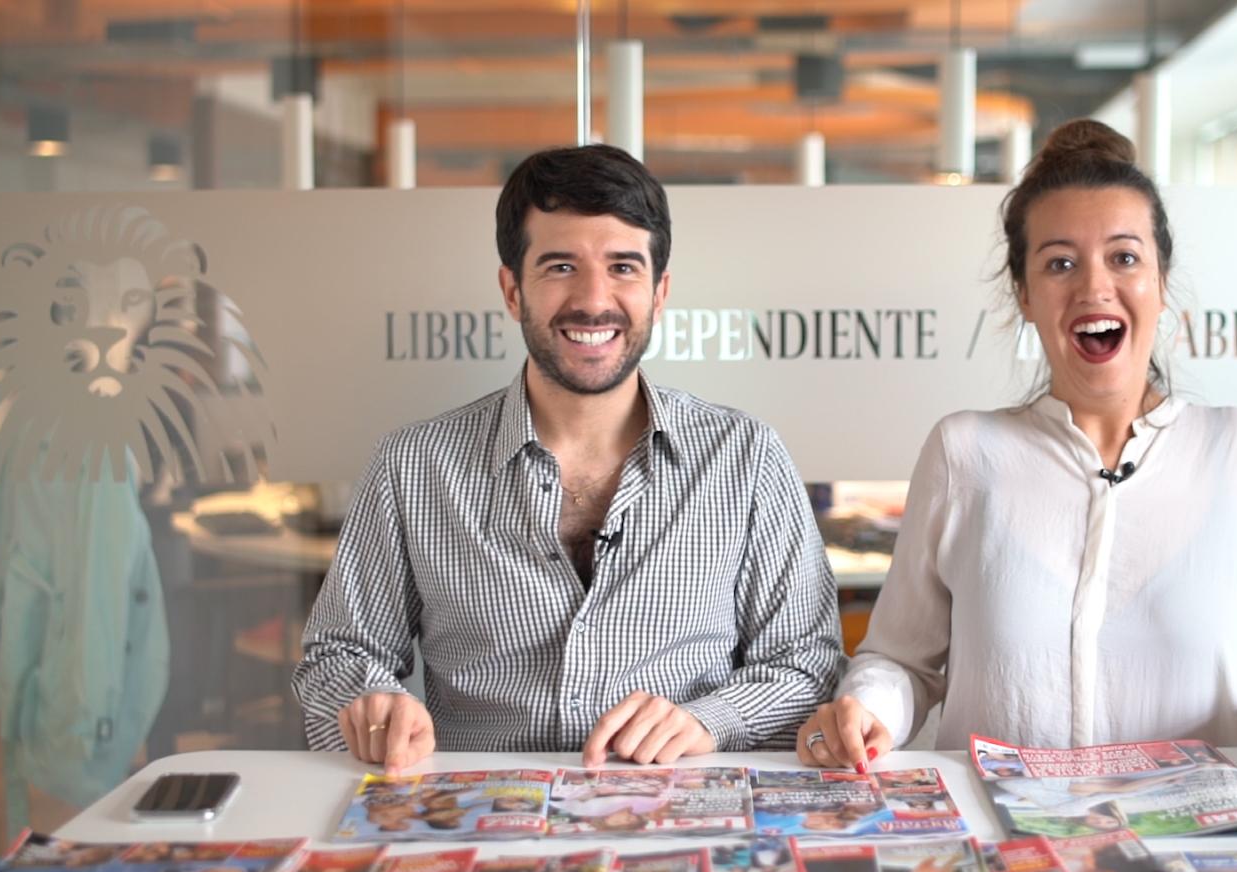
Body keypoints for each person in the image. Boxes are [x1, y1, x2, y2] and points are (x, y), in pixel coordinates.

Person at [797, 118, 1237, 796]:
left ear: (1161, 281)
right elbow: (902, 659)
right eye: (1060, 263)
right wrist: (869, 708)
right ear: (1025, 296)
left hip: (1190, 844)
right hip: (1008, 848)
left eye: (1124, 258)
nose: (1094, 287)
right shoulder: (966, 451)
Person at [292, 144, 843, 772]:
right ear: (511, 289)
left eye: (623, 268)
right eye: (560, 266)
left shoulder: (744, 457)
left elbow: (809, 665)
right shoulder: (413, 465)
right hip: (483, 821)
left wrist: (708, 721)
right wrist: (373, 703)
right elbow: (337, 654)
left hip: (683, 823)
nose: (593, 299)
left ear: (659, 292)